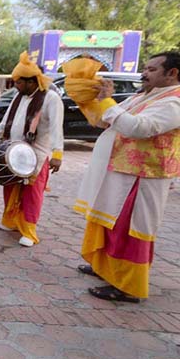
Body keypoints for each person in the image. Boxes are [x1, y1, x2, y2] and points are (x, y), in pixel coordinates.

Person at [74, 52, 180, 303]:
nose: (144, 73)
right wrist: (96, 99)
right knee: (109, 220)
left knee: (131, 229)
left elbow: (139, 128)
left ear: (172, 73)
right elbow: (106, 121)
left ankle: (128, 285)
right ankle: (106, 267)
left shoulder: (174, 101)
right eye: (145, 68)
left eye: (152, 69)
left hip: (144, 176)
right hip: (121, 171)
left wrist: (108, 102)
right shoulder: (143, 95)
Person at [0, 52, 64, 247]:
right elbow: (6, 123)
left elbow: (56, 129)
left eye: (19, 82)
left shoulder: (51, 98)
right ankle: (10, 221)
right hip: (14, 152)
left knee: (31, 193)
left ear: (31, 81)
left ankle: (29, 231)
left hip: (37, 155)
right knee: (11, 186)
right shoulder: (20, 97)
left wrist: (57, 155)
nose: (15, 85)